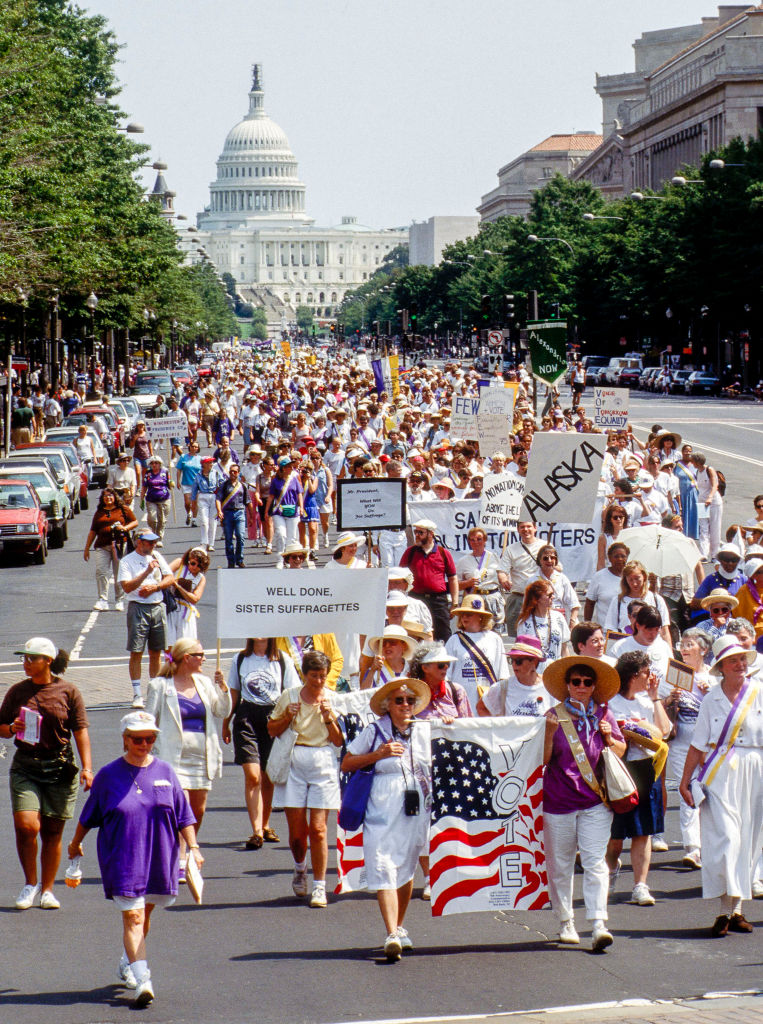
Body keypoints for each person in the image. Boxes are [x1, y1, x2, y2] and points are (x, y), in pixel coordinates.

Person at [67, 711, 201, 1007]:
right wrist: (75, 844)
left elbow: (183, 815)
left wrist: (194, 846)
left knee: (145, 914)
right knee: (134, 915)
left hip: (159, 856)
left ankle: (128, 961)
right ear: (124, 739)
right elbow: (89, 816)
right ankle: (144, 981)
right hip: (123, 857)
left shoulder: (166, 772)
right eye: (137, 739)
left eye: (150, 739)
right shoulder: (108, 775)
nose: (144, 744)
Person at [341, 677, 432, 961]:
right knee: (382, 863)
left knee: (405, 867)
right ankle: (391, 932)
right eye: (399, 700)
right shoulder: (374, 731)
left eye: (410, 701)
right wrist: (378, 754)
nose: (405, 705)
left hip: (414, 806)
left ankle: (400, 926)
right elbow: (347, 761)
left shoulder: (426, 730)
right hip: (381, 804)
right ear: (387, 705)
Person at [0, 638, 92, 911]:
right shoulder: (17, 691)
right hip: (26, 766)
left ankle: (48, 890)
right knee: (27, 826)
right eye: (24, 658)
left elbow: (81, 731)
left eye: (32, 658)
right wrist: (12, 728)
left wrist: (87, 768)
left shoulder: (69, 691)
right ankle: (30, 884)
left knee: (52, 832)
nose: (26, 663)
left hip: (60, 767)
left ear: (48, 661)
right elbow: (1, 726)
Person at [679, 636, 762, 936]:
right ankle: (723, 911)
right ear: (721, 667)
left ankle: (734, 911)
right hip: (719, 772)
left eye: (742, 659)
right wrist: (685, 780)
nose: (740, 665)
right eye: (733, 660)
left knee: (746, 839)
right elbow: (697, 743)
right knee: (726, 839)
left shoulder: (759, 692)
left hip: (755, 768)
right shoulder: (711, 699)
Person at [541, 654, 625, 951]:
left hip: (595, 801)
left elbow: (621, 748)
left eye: (587, 682)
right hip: (559, 800)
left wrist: (609, 738)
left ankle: (599, 922)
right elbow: (542, 759)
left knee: (595, 862)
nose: (581, 686)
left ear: (593, 686)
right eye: (575, 681)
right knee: (561, 865)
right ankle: (566, 921)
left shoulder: (604, 714)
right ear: (566, 685)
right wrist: (550, 732)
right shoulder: (552, 715)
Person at [146, 638, 231, 879]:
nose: (204, 659)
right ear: (187, 658)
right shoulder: (160, 686)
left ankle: (190, 847)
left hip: (201, 758)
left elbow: (221, 711)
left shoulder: (204, 683)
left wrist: (223, 688)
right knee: (179, 808)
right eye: (200, 654)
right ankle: (180, 858)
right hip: (173, 759)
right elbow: (149, 720)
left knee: (198, 809)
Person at [267, 650, 344, 908]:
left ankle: (320, 886)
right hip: (294, 760)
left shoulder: (333, 699)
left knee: (319, 829)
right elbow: (272, 730)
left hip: (323, 760)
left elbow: (339, 740)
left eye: (323, 676)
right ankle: (300, 867)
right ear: (304, 674)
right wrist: (288, 715)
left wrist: (329, 717)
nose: (319, 681)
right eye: (314, 676)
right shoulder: (288, 696)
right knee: (298, 833)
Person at [605, 650, 672, 907]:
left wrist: (656, 699)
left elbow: (665, 731)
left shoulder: (646, 701)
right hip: (621, 769)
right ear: (634, 675)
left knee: (643, 832)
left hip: (647, 769)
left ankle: (640, 885)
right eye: (646, 672)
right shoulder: (611, 703)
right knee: (616, 835)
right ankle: (610, 869)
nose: (650, 677)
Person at [223, 638, 301, 849]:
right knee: (253, 775)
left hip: (273, 717)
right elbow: (234, 694)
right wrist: (225, 722)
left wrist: (288, 719)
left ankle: (265, 824)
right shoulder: (240, 659)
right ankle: (256, 830)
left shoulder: (282, 660)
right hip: (246, 717)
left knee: (268, 776)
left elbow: (293, 693)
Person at [407, 642, 471, 899]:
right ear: (425, 668)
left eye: (447, 665)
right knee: (422, 823)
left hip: (450, 768)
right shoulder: (409, 692)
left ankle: (449, 871)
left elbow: (469, 729)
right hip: (417, 768)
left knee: (449, 821)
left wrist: (452, 726)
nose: (446, 669)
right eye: (440, 665)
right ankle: (429, 876)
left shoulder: (456, 692)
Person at [662, 628, 711, 869]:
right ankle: (693, 848)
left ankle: (710, 843)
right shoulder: (674, 677)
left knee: (709, 792)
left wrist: (708, 695)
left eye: (690, 644)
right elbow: (660, 707)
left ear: (703, 649)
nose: (684, 648)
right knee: (687, 789)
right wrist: (671, 700)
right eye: (683, 643)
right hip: (682, 738)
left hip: (709, 742)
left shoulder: (714, 677)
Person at [117, 528, 174, 708]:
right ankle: (136, 694)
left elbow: (170, 578)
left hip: (157, 606)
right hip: (138, 608)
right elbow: (126, 587)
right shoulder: (127, 561)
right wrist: (146, 573)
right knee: (137, 651)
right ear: (139, 542)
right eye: (149, 542)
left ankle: (154, 691)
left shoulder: (156, 555)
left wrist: (156, 587)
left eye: (154, 541)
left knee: (156, 652)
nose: (153, 545)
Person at [445, 593, 509, 709]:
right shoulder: (453, 640)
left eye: (469, 614)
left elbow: (503, 675)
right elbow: (446, 676)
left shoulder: (494, 639)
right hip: (461, 702)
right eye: (462, 614)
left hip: (488, 702)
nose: (464, 617)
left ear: (480, 616)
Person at [400, 519, 459, 642]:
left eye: (420, 533)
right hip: (415, 599)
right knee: (416, 634)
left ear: (430, 534)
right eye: (416, 532)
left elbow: (453, 578)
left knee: (443, 634)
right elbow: (401, 577)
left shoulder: (443, 553)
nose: (417, 535)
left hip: (438, 601)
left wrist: (454, 603)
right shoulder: (409, 553)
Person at [83, 487, 137, 612]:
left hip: (119, 545)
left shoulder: (123, 509)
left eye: (110, 496)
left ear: (115, 497)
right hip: (102, 546)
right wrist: (87, 548)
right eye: (105, 496)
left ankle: (119, 600)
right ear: (102, 498)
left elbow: (135, 522)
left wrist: (125, 528)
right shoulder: (99, 512)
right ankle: (102, 600)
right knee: (101, 571)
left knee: (119, 573)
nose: (108, 498)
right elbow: (93, 531)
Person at [477, 635, 552, 717]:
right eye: (511, 660)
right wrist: (496, 728)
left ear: (534, 662)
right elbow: (481, 708)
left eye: (519, 661)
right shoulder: (503, 687)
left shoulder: (550, 687)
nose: (514, 665)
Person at [456, 526, 510, 633]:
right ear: (469, 542)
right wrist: (468, 583)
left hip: (493, 598)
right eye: (472, 539)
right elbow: (456, 585)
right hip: (474, 599)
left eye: (479, 539)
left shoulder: (494, 557)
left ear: (485, 540)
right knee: (475, 630)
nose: (476, 542)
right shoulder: (463, 561)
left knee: (496, 632)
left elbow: (503, 575)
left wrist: (505, 580)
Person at [604, 559, 671, 642]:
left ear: (644, 577)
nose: (634, 583)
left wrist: (669, 654)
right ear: (625, 580)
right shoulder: (618, 601)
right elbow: (610, 629)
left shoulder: (656, 599)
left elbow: (664, 631)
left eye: (637, 578)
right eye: (630, 580)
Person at [164, 547, 210, 647]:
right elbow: (164, 574)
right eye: (193, 563)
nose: (195, 567)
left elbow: (195, 599)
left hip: (185, 612)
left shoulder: (201, 578)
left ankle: (181, 662)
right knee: (168, 645)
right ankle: (170, 661)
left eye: (200, 566)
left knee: (185, 646)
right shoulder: (179, 563)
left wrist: (179, 587)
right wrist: (170, 583)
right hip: (171, 607)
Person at [517, 579, 571, 661]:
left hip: (557, 668)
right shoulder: (524, 622)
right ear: (537, 599)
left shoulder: (558, 617)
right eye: (549, 595)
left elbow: (564, 648)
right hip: (534, 670)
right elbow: (521, 652)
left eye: (553, 594)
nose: (553, 597)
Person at [266, 456, 305, 567]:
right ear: (283, 468)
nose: (291, 468)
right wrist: (266, 510)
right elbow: (271, 496)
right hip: (279, 511)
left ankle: (289, 560)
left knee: (291, 537)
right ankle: (280, 559)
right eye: (288, 466)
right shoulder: (275, 481)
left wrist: (301, 507)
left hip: (293, 511)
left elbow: (299, 494)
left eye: (291, 466)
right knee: (281, 534)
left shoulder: (294, 479)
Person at [530, 544, 580, 627]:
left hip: (561, 621)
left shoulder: (562, 578)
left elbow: (574, 603)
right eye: (545, 558)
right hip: (540, 621)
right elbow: (528, 606)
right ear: (539, 560)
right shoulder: (532, 581)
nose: (549, 560)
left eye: (552, 558)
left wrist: (572, 622)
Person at [360, 625, 418, 690]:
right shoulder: (375, 671)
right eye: (384, 643)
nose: (387, 645)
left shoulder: (413, 671)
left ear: (404, 646)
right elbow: (364, 695)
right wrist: (372, 671)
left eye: (392, 642)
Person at [216, 462, 250, 569]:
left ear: (238, 473)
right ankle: (231, 560)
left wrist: (252, 516)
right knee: (229, 539)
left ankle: (239, 559)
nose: (232, 474)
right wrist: (219, 511)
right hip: (228, 513)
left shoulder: (243, 486)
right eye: (231, 472)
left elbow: (248, 502)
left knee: (240, 536)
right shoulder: (224, 485)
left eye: (235, 472)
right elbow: (218, 499)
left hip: (240, 512)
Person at [585, 542, 628, 625]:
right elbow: (589, 603)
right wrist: (587, 625)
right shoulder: (599, 576)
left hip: (628, 631)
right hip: (605, 631)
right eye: (616, 556)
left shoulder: (631, 577)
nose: (620, 559)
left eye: (623, 556)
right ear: (609, 558)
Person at [191, 456, 222, 553]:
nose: (211, 464)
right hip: (203, 496)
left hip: (214, 497)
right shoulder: (198, 475)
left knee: (213, 521)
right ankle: (204, 542)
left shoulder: (216, 473)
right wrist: (193, 503)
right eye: (209, 463)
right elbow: (194, 490)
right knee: (204, 521)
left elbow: (222, 484)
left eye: (212, 462)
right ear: (203, 464)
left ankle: (211, 543)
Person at [141, 455, 172, 548]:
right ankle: (153, 534)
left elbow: (169, 483)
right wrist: (141, 499)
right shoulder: (148, 473)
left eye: (156, 463)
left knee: (162, 520)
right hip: (151, 499)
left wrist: (171, 484)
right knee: (152, 519)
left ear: (160, 464)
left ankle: (159, 538)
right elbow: (144, 486)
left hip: (164, 499)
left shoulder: (165, 472)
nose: (154, 465)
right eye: (152, 463)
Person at [731, 557, 763, 645]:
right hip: (753, 639)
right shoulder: (744, 592)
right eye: (759, 572)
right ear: (752, 576)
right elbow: (737, 618)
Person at [175, 441, 202, 526]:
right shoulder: (183, 457)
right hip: (186, 483)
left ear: (198, 448)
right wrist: (178, 481)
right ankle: (189, 513)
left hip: (196, 484)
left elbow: (203, 471)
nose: (194, 448)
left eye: (196, 447)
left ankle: (194, 519)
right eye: (192, 446)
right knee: (187, 502)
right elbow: (179, 469)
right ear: (189, 447)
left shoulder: (200, 459)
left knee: (195, 502)